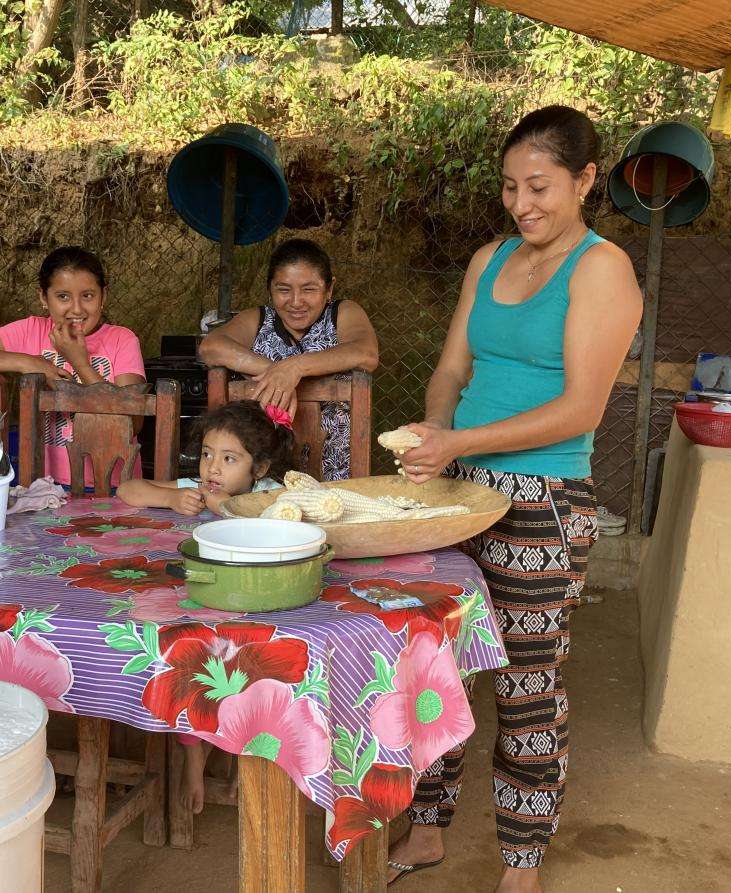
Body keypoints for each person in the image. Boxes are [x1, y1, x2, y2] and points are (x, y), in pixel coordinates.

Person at [386, 106, 642, 891]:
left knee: (527, 682)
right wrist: (435, 427)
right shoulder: (487, 259)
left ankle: (521, 862)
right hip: (459, 487)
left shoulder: (602, 269)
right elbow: (452, 368)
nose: (522, 204)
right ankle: (427, 829)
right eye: (510, 187)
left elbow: (581, 409)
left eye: (540, 187)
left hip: (544, 499)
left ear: (585, 180)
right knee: (437, 666)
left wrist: (459, 442)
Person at [118, 399, 296, 812]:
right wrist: (171, 500)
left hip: (252, 609)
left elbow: (290, 523)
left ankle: (244, 758)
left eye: (229, 459)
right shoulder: (196, 490)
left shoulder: (271, 497)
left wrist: (227, 510)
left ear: (260, 469)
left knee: (253, 668)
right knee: (190, 659)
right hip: (202, 603)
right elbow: (129, 490)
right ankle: (193, 751)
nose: (213, 469)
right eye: (207, 455)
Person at [0, 246, 145, 485]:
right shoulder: (31, 331)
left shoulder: (122, 340)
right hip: (42, 483)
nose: (76, 308)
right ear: (43, 298)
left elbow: (133, 425)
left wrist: (80, 362)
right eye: (63, 296)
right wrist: (28, 362)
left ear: (103, 297)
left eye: (87, 296)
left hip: (112, 485)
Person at [198, 238, 378, 480]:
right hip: (263, 478)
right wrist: (276, 372)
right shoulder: (258, 319)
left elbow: (365, 353)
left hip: (337, 477)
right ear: (269, 289)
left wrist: (295, 367)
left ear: (329, 289)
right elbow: (210, 347)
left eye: (309, 289)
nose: (295, 301)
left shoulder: (342, 314)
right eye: (283, 289)